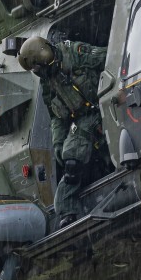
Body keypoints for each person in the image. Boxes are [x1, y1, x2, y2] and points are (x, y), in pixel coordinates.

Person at [18, 35, 107, 227]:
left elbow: (109, 57)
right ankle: (68, 211)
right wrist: (58, 143)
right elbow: (57, 117)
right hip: (84, 118)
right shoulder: (48, 82)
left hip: (104, 100)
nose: (40, 71)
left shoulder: (75, 53)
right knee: (71, 161)